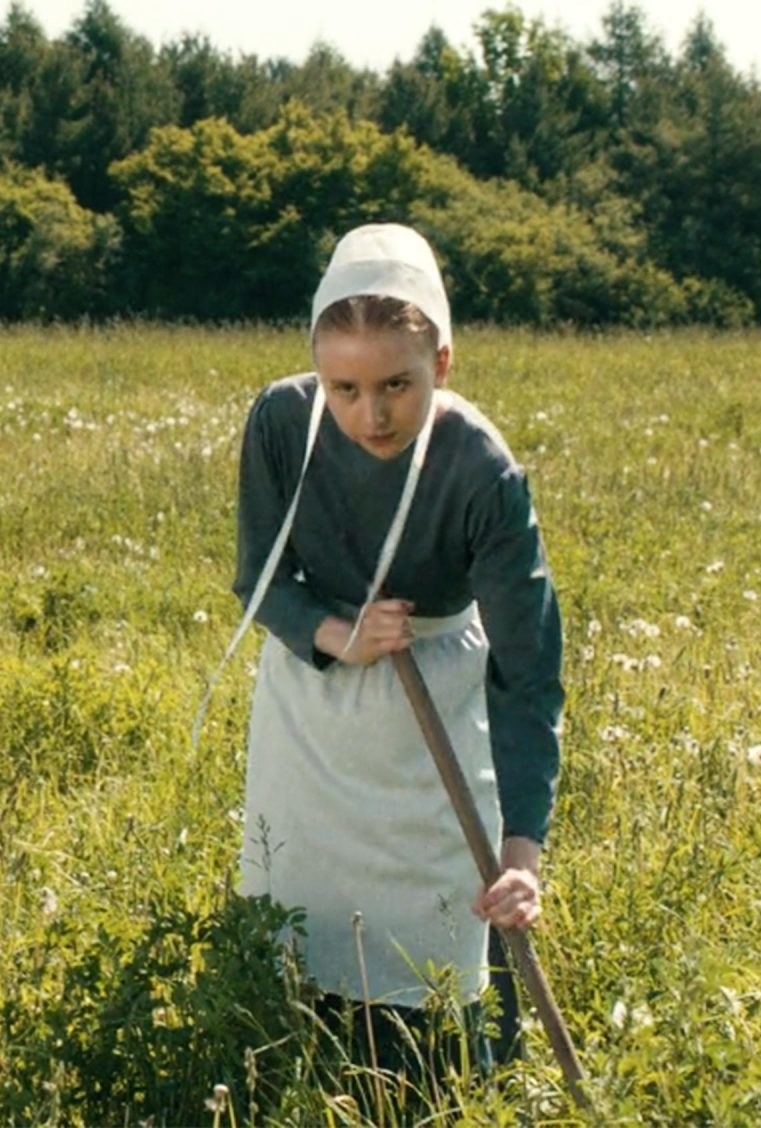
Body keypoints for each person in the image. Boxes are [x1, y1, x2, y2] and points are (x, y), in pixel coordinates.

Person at [220, 224, 563, 1080]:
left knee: (442, 936)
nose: (370, 415)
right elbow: (261, 574)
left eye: (397, 387)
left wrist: (522, 855)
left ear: (442, 363)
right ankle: (301, 1072)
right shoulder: (280, 420)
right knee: (304, 920)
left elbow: (527, 670)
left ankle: (452, 1079)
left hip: (438, 706)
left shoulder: (483, 470)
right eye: (344, 388)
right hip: (312, 705)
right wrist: (339, 635)